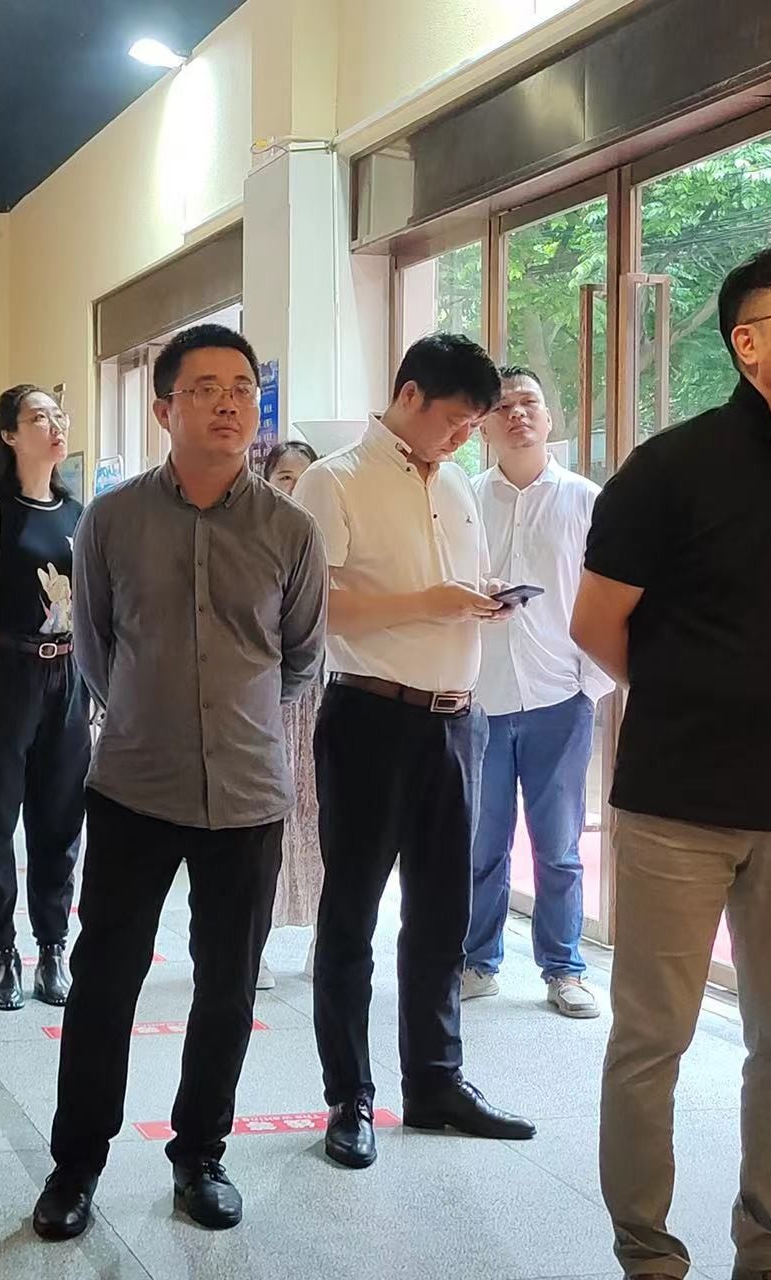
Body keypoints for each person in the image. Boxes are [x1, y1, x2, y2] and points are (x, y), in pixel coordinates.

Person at [571, 225, 771, 1280]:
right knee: (651, 1037)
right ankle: (647, 1249)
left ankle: (770, 1244)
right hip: (675, 800)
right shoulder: (670, 468)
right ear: (748, 344)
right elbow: (595, 623)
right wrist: (685, 697)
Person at [30, 324, 326, 1240]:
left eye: (241, 388)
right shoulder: (111, 520)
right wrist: (150, 713)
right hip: (134, 786)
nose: (230, 403)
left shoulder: (290, 529)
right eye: (206, 388)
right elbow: (95, 648)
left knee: (227, 988)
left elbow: (299, 658)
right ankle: (76, 1165)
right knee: (105, 981)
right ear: (165, 408)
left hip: (246, 795)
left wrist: (232, 720)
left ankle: (200, 1155)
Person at [293, 332, 535, 1172]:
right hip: (370, 716)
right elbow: (317, 608)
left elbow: (450, 592)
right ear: (407, 397)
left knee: (441, 914)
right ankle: (349, 1096)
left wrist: (480, 600)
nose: (466, 437)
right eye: (457, 420)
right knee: (352, 913)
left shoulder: (458, 484)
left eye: (475, 425)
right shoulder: (334, 480)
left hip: (455, 722)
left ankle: (435, 1083)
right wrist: (429, 600)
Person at [461, 367, 608, 1019]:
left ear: (550, 419)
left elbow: (609, 598)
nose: (517, 414)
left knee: (558, 847)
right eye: (503, 406)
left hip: (559, 698)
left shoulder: (586, 501)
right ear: (483, 426)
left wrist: (590, 685)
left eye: (529, 404)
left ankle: (564, 968)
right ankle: (477, 961)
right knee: (482, 843)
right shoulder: (463, 500)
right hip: (482, 699)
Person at [0, 384, 89, 1011]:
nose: (55, 426)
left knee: (60, 819)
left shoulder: (78, 513)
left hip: (67, 676)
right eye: (39, 417)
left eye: (58, 416)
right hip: (2, 672)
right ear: (9, 434)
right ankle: (2, 949)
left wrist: (95, 685)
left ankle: (53, 945)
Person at [259, 438, 324, 990]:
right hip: (269, 696)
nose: (297, 488)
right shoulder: (258, 535)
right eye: (285, 477)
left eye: (306, 477)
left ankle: (324, 939)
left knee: (322, 818)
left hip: (325, 693)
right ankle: (252, 943)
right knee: (267, 821)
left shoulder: (330, 536)